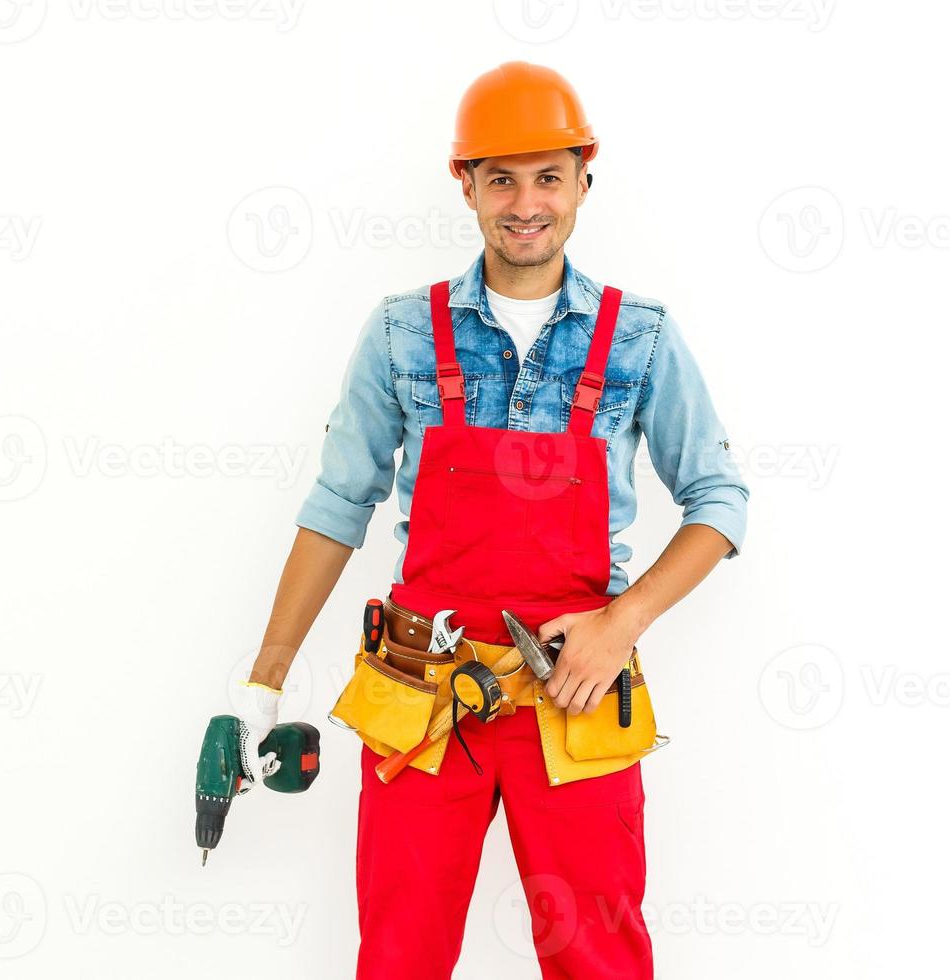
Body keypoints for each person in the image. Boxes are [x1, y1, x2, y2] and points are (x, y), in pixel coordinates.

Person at [229, 61, 749, 978]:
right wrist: (262, 684)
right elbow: (337, 505)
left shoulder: (640, 337)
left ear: (585, 177)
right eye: (500, 177)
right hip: (422, 693)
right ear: (463, 182)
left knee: (601, 958)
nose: (525, 202)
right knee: (399, 955)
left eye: (548, 175)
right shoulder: (400, 333)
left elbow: (719, 501)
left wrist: (618, 626)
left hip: (575, 694)